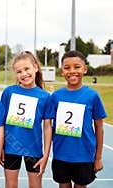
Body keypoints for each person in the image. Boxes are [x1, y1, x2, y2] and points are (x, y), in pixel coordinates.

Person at [51, 50, 107, 188]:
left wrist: (98, 157)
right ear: (61, 71)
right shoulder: (56, 96)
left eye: (77, 67)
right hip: (61, 154)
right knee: (63, 185)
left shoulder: (92, 96)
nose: (72, 71)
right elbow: (47, 126)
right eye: (67, 67)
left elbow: (99, 128)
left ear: (85, 69)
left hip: (84, 155)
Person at [0, 51, 53, 188]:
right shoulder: (9, 92)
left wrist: (46, 154)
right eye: (19, 71)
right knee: (10, 185)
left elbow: (47, 127)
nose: (23, 74)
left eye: (27, 69)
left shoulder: (45, 97)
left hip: (34, 149)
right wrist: (0, 148)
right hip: (11, 148)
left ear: (35, 67)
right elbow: (0, 123)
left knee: (35, 185)